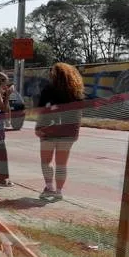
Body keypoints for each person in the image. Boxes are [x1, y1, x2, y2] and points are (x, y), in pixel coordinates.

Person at [35, 62, 85, 201]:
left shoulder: (48, 89)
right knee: (62, 163)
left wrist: (39, 127)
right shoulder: (76, 91)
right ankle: (59, 191)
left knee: (46, 161)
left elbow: (41, 111)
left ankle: (49, 187)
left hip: (48, 130)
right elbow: (78, 113)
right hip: (68, 132)